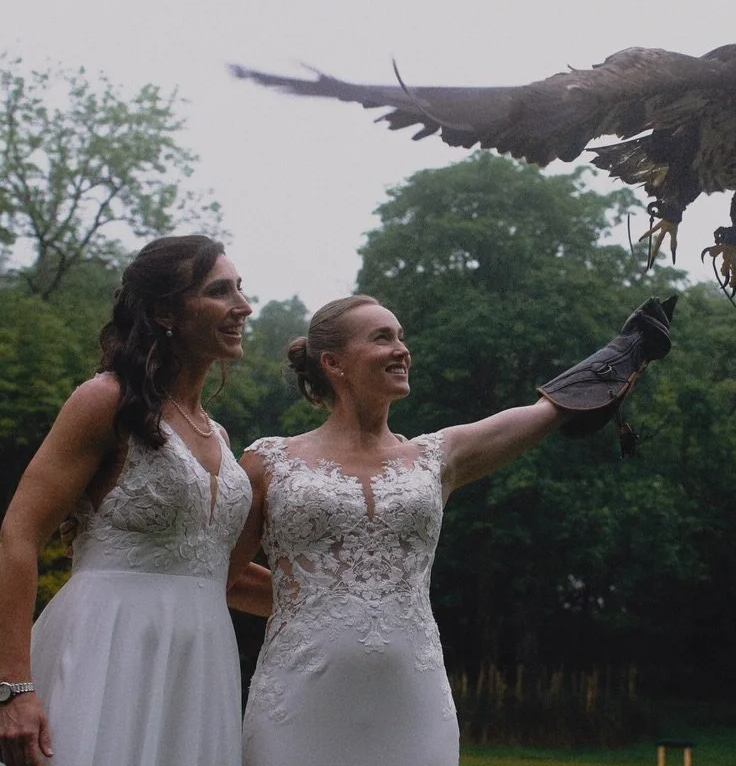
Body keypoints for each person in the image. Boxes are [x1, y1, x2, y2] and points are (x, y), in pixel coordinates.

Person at [239, 293, 676, 766]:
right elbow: (218, 573)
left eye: (402, 337)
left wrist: (625, 351)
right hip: (297, 696)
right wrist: (311, 606)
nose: (402, 349)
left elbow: (545, 412)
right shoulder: (268, 462)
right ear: (333, 362)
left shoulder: (436, 458)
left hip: (414, 697)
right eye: (382, 338)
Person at [0, 234, 272, 766]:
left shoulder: (220, 438)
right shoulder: (104, 401)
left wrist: (342, 603)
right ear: (165, 311)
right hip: (107, 651)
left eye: (240, 290)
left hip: (200, 665)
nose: (242, 307)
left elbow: (219, 573)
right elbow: (17, 541)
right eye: (220, 291)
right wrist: (14, 688)